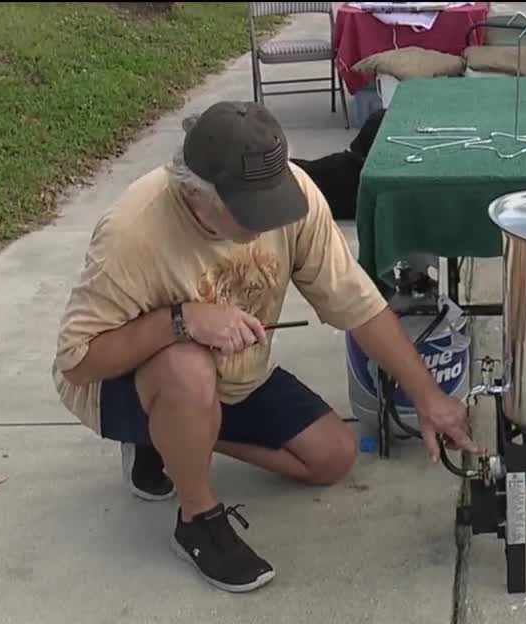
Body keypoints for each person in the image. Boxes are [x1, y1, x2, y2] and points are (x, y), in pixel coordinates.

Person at [51, 100, 480, 594]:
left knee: (332, 457)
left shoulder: (295, 194)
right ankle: (197, 519)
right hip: (130, 382)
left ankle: (171, 439)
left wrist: (428, 397)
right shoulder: (134, 230)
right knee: (187, 367)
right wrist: (182, 320)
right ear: (199, 195)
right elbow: (79, 363)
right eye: (253, 211)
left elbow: (356, 301)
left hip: (234, 378)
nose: (270, 220)